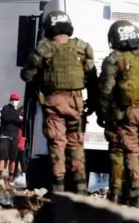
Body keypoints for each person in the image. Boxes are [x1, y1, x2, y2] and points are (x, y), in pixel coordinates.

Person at [20, 10, 98, 194]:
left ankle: (59, 189)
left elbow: (26, 75)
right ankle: (80, 189)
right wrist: (94, 104)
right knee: (76, 145)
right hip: (76, 103)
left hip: (54, 103)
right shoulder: (82, 48)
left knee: (57, 145)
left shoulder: (43, 49)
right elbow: (93, 79)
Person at [98, 20, 139, 206]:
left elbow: (106, 91)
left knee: (130, 152)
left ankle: (134, 193)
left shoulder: (115, 59)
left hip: (127, 114)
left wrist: (103, 115)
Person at [0, 93, 22, 183]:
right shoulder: (5, 108)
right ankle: (0, 174)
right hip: (4, 135)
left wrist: (19, 118)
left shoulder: (18, 111)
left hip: (14, 136)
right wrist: (18, 117)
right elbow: (6, 118)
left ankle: (11, 176)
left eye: (16, 100)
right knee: (2, 156)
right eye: (13, 99)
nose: (14, 101)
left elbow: (20, 124)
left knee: (13, 158)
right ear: (10, 99)